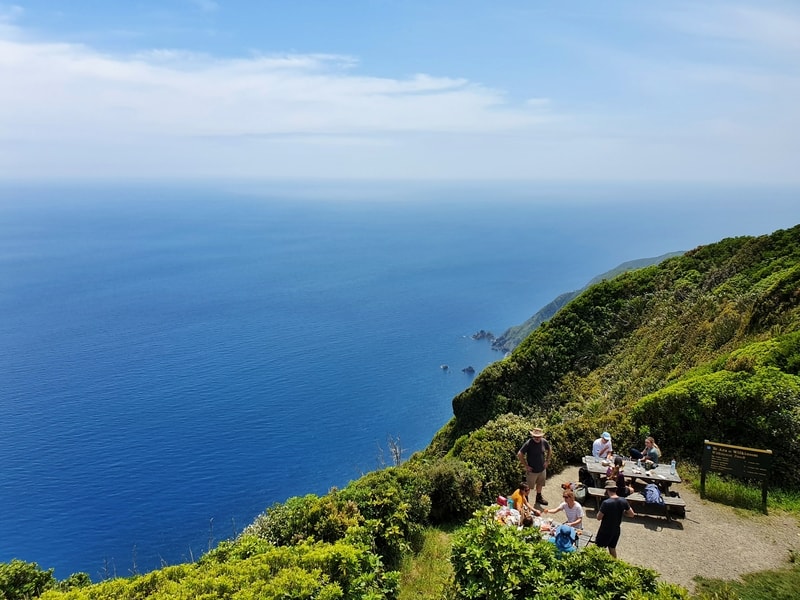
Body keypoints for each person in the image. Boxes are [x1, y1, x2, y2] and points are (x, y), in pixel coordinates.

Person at [595, 479, 636, 558]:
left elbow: (598, 517)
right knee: (612, 548)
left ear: (607, 490)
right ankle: (615, 565)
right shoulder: (623, 500)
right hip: (616, 530)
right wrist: (624, 513)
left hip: (605, 530)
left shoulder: (606, 503)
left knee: (598, 549)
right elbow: (632, 514)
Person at [517, 427, 553, 506]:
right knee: (528, 487)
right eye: (535, 436)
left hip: (542, 469)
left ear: (541, 436)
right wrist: (526, 466)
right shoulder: (529, 443)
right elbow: (520, 454)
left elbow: (550, 449)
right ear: (532, 436)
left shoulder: (544, 442)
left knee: (540, 484)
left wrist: (547, 461)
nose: (537, 438)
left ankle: (538, 498)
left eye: (538, 436)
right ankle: (525, 501)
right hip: (532, 471)